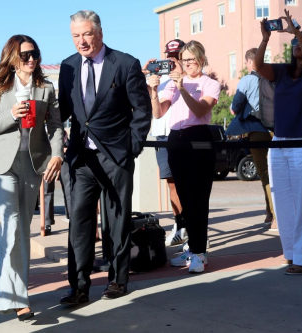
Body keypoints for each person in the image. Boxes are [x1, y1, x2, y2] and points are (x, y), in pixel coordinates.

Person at [58, 10, 152, 304]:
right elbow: (62, 111)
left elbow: (142, 111)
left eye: (86, 34)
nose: (81, 41)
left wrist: (132, 147)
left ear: (99, 32)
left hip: (115, 157)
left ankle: (117, 279)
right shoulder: (68, 67)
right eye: (76, 36)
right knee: (79, 223)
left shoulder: (125, 63)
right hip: (81, 160)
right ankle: (80, 285)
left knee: (117, 221)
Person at [0, 35, 64, 320]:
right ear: (13, 57)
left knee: (22, 231)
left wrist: (58, 154)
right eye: (26, 55)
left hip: (32, 163)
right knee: (12, 224)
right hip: (3, 165)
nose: (32, 60)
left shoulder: (46, 88)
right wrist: (11, 114)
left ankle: (17, 294)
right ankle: (17, 299)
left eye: (35, 54)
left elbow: (55, 126)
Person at [253, 9, 302, 275]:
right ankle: (293, 253)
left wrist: (298, 31)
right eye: (294, 42)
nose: (296, 44)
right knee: (284, 201)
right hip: (280, 142)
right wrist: (265, 39)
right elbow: (258, 67)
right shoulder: (283, 72)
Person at [148, 40, 220, 273]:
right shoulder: (172, 83)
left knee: (199, 198)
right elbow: (158, 113)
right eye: (184, 59)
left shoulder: (209, 84)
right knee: (185, 199)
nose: (187, 64)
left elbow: (200, 110)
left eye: (191, 59)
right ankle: (193, 247)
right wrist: (152, 89)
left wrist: (182, 89)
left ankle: (199, 252)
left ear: (201, 59)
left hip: (199, 138)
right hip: (175, 138)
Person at [143, 39, 187, 247]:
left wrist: (182, 76)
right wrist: (145, 78)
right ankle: (180, 225)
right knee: (172, 185)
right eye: (169, 58)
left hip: (182, 135)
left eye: (177, 56)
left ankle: (189, 227)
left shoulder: (190, 78)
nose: (172, 61)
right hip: (161, 136)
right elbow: (156, 109)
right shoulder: (164, 82)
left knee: (187, 184)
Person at [225, 48, 276, 230]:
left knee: (265, 174)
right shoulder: (272, 77)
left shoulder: (246, 80)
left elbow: (235, 107)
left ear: (248, 61)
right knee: (279, 172)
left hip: (257, 130)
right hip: (277, 131)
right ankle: (274, 212)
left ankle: (273, 215)